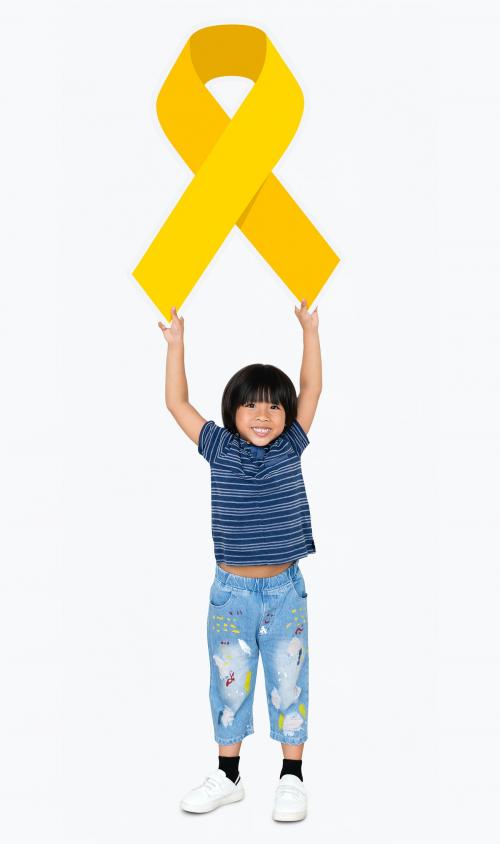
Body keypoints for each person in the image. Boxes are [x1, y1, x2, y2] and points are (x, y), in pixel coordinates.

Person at [158, 299, 321, 822]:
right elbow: (177, 403)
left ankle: (291, 777)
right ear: (232, 412)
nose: (263, 415)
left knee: (289, 681)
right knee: (229, 680)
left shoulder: (290, 445)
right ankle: (227, 776)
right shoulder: (219, 448)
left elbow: (313, 389)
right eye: (251, 405)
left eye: (275, 406)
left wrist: (309, 331)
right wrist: (177, 343)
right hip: (230, 594)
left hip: (284, 591)